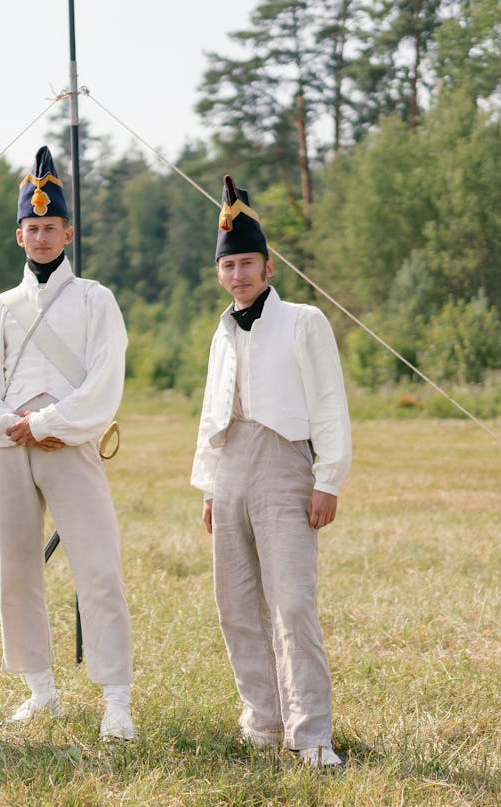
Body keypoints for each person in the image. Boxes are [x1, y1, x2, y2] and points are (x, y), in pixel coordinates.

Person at [0, 146, 135, 741]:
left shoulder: (95, 299)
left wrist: (45, 424)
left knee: (98, 567)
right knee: (17, 570)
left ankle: (117, 697)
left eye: (50, 228)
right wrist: (11, 426)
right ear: (19, 235)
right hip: (8, 447)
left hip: (67, 444)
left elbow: (103, 383)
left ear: (68, 232)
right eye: (31, 228)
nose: (40, 237)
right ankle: (40, 689)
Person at [191, 175, 352, 768]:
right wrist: (209, 484)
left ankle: (311, 733)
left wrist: (327, 479)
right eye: (229, 265)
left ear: (269, 266)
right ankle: (263, 718)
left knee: (291, 602)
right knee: (235, 602)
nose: (239, 275)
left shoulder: (304, 321)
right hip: (231, 465)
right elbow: (213, 409)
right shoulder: (222, 331)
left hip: (286, 465)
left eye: (249, 263)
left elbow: (330, 404)